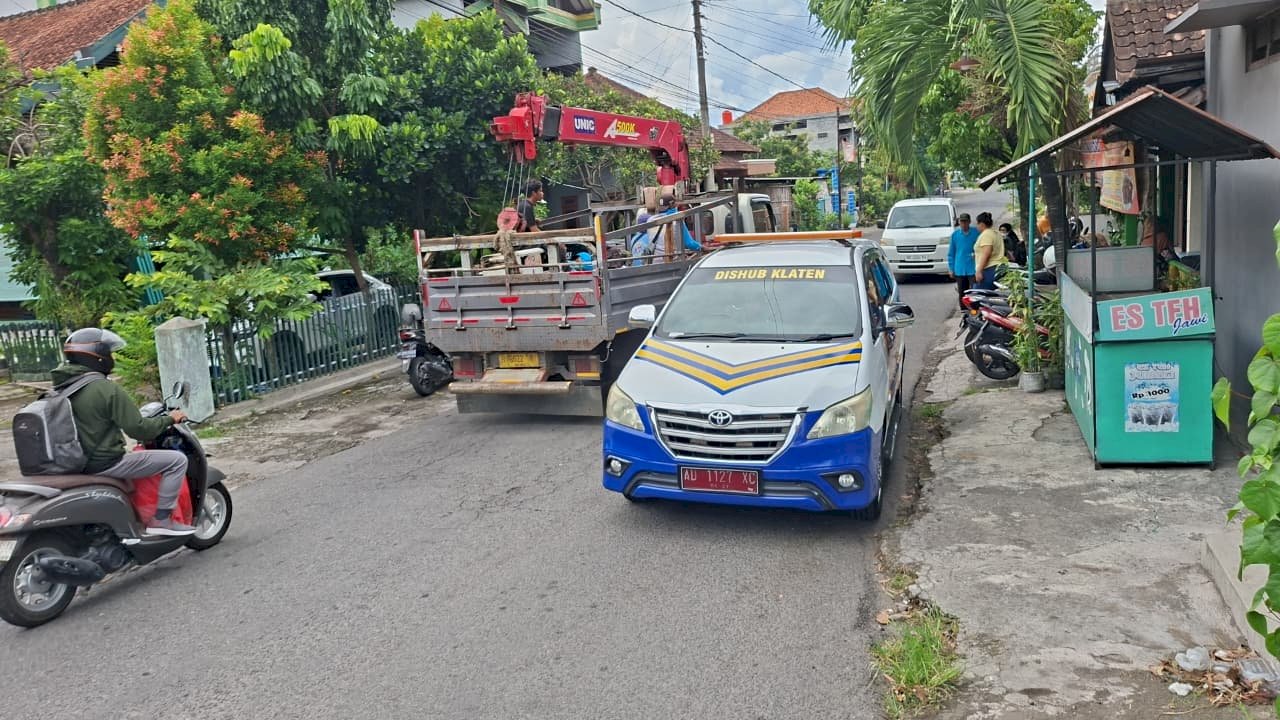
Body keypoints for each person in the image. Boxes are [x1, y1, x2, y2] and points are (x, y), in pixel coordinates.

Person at [53, 328, 194, 536]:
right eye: (108, 352)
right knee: (176, 461)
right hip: (106, 464)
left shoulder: (60, 388)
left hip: (72, 464)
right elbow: (139, 430)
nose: (111, 357)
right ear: (97, 356)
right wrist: (169, 419)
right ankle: (161, 520)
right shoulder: (104, 388)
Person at [653, 193, 702, 262]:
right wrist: (702, 247)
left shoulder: (651, 220)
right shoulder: (677, 221)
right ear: (673, 205)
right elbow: (689, 243)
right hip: (673, 264)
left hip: (654, 262)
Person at [947, 212, 979, 307]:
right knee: (962, 292)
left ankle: (975, 310)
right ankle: (964, 311)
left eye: (966, 222)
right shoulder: (955, 235)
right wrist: (951, 268)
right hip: (960, 268)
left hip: (973, 268)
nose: (964, 224)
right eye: (962, 222)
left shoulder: (976, 233)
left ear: (969, 222)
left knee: (975, 291)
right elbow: (951, 253)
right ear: (959, 223)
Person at [973, 212, 1008, 290]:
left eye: (977, 224)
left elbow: (986, 253)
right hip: (1000, 267)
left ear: (981, 224)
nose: (977, 226)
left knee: (977, 295)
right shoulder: (996, 233)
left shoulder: (986, 234)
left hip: (989, 269)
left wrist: (979, 271)